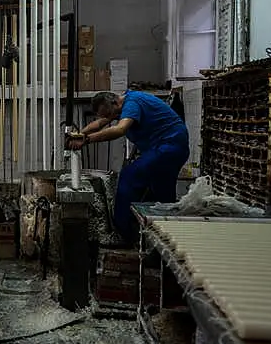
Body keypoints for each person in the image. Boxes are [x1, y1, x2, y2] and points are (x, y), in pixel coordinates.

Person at [68, 90, 189, 243]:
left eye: (110, 114)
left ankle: (121, 234)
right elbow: (100, 123)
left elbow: (120, 129)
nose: (110, 118)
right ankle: (164, 239)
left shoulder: (131, 104)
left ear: (115, 103)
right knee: (161, 196)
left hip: (169, 146)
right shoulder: (121, 103)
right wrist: (78, 134)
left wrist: (86, 140)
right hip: (166, 148)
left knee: (129, 176)